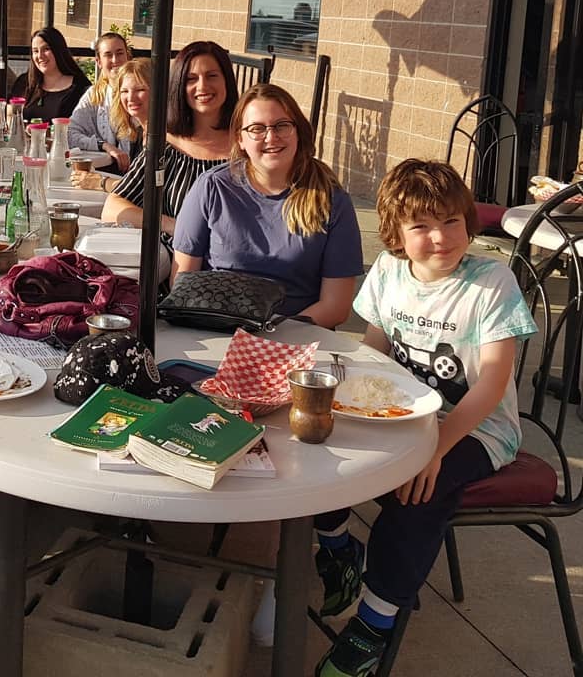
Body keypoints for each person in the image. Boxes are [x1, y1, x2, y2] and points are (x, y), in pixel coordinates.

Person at [311, 160, 535, 677]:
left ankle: (374, 622)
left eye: (451, 221)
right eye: (421, 227)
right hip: (404, 413)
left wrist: (437, 447)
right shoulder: (389, 272)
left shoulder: (491, 283)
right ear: (395, 234)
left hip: (475, 427)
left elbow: (493, 383)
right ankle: (339, 547)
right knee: (315, 440)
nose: (440, 238)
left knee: (419, 491)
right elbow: (376, 351)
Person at [172, 82, 364, 328]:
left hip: (297, 334)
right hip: (218, 325)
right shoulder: (212, 187)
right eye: (257, 128)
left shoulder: (332, 200)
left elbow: (336, 307)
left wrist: (269, 335)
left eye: (282, 125)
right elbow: (182, 279)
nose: (271, 137)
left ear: (298, 131)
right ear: (240, 139)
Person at [100, 41, 236, 239]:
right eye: (191, 78)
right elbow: (113, 208)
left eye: (212, 76)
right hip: (176, 260)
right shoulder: (166, 146)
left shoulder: (248, 144)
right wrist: (172, 225)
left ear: (227, 81)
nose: (202, 86)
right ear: (179, 85)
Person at [70, 58, 150, 193]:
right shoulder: (137, 130)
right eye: (124, 91)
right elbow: (70, 133)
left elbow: (143, 190)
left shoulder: (164, 135)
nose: (131, 97)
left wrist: (99, 182)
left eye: (140, 89)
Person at [68, 32, 133, 170]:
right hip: (106, 172)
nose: (115, 60)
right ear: (98, 62)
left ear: (128, 56)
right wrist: (104, 145)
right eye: (108, 55)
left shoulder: (141, 93)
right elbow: (70, 134)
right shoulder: (94, 95)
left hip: (138, 174)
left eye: (120, 53)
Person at [8, 26, 91, 123]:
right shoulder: (23, 83)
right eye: (35, 51)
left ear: (58, 50)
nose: (40, 56)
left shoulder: (80, 88)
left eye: (46, 49)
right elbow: (10, 115)